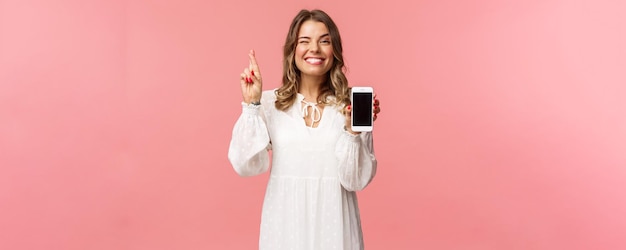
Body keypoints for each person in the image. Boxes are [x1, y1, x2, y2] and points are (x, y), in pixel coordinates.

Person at [228, 9, 380, 250]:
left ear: (335, 50)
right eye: (304, 41)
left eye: (324, 41)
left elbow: (355, 180)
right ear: (292, 50)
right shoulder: (270, 103)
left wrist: (352, 131)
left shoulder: (348, 106)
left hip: (336, 227)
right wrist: (252, 105)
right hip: (285, 227)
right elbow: (244, 164)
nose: (315, 49)